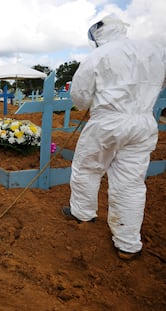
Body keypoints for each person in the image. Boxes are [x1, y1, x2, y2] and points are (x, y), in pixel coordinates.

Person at [62, 15, 166, 260]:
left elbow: (79, 97)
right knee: (130, 183)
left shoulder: (98, 56)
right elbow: (160, 84)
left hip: (108, 122)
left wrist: (96, 101)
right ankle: (128, 244)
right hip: (142, 122)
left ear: (98, 35)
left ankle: (83, 214)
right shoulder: (153, 52)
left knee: (87, 168)